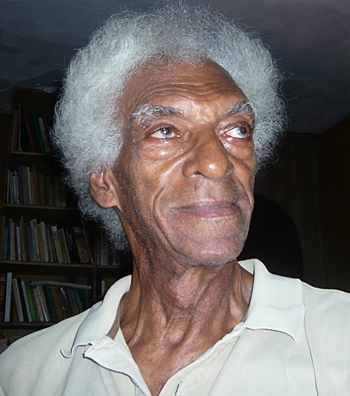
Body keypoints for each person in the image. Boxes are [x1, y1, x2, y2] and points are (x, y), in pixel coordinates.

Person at [1, 3, 349, 395]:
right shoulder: (23, 374)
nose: (217, 163)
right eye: (165, 130)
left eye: (237, 129)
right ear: (106, 182)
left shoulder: (339, 339)